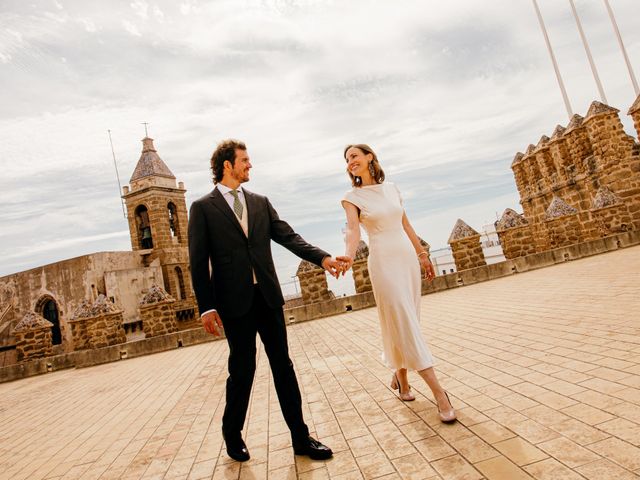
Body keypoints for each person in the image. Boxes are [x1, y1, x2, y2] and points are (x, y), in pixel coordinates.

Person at [188, 140, 346, 462]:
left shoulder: (260, 202)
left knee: (283, 367)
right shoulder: (203, 207)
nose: (250, 166)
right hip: (234, 303)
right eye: (244, 160)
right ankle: (232, 434)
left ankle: (301, 439)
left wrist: (323, 258)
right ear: (227, 165)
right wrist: (207, 306)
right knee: (243, 369)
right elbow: (197, 260)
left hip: (268, 297)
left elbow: (288, 236)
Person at [338, 144, 456, 423]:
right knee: (403, 320)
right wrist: (348, 257)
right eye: (346, 160)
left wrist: (423, 254)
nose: (350, 161)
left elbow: (407, 225)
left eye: (354, 156)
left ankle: (402, 379)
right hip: (382, 262)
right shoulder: (351, 197)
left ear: (369, 158)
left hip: (406, 259)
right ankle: (440, 394)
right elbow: (353, 231)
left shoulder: (391, 189)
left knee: (405, 320)